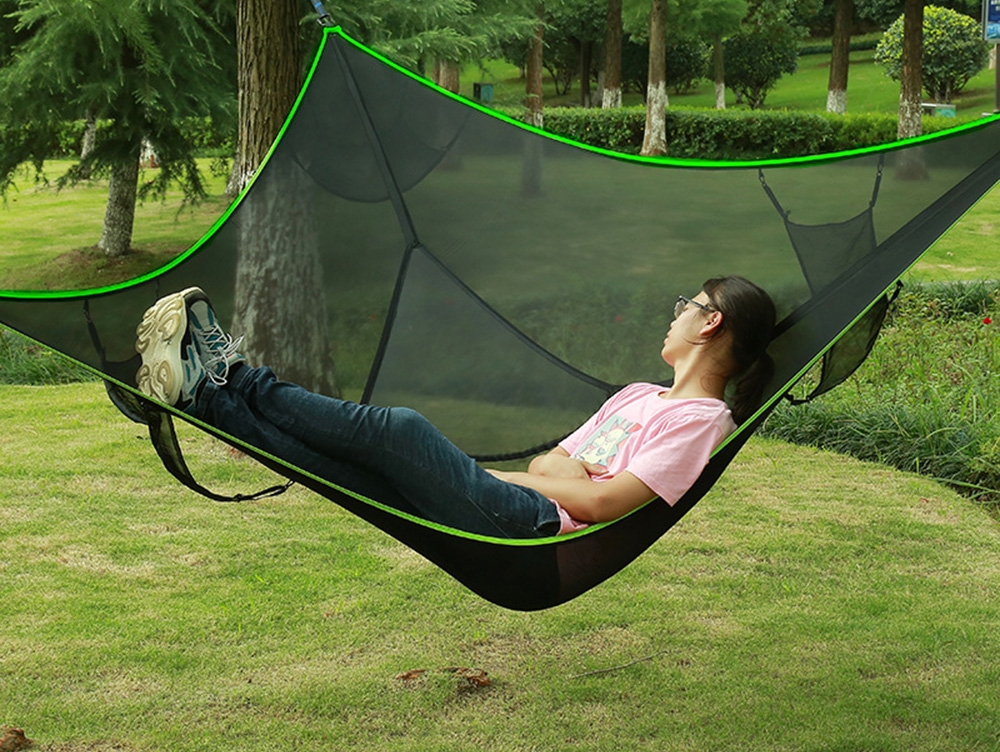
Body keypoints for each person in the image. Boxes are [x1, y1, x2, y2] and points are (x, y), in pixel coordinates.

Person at [135, 276, 775, 540]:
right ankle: (206, 396)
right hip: (524, 498)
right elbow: (550, 461)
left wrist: (497, 477)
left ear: (710, 323)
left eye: (686, 307)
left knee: (401, 430)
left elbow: (604, 503)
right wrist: (564, 475)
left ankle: (237, 378)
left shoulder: (701, 421)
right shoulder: (638, 395)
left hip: (534, 530)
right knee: (347, 471)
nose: (674, 316)